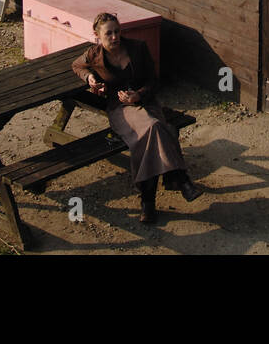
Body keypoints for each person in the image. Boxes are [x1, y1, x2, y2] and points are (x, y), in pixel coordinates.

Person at [72, 12, 202, 223]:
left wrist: (139, 94)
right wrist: (90, 78)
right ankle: (179, 177)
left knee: (151, 133)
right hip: (120, 109)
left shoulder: (138, 48)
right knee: (158, 128)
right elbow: (77, 66)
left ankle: (148, 204)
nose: (114, 37)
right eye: (109, 34)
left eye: (117, 32)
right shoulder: (93, 55)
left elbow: (154, 80)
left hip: (146, 102)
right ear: (97, 35)